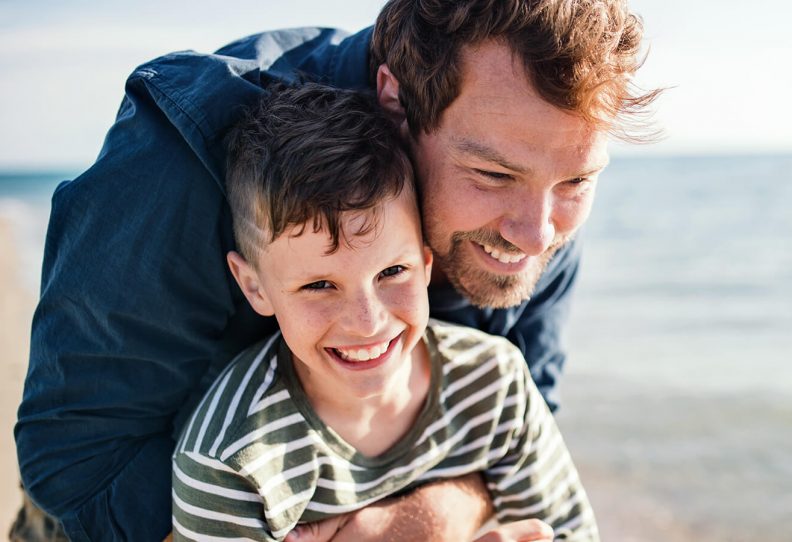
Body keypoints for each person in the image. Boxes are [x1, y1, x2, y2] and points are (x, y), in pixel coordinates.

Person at [15, 0, 659, 539]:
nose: (537, 233)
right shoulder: (173, 172)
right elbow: (79, 475)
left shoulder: (535, 196)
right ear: (396, 100)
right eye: (492, 175)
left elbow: (524, 419)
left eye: (578, 178)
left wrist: (420, 520)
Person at [171, 82, 598, 541]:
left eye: (393, 271)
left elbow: (570, 532)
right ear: (255, 287)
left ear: (426, 262)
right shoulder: (230, 462)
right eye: (319, 285)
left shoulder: (495, 385)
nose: (368, 321)